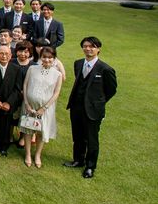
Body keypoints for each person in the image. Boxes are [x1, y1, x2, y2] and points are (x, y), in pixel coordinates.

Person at [64, 36, 117, 179]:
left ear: (98, 49)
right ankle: (78, 160)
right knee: (78, 136)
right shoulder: (78, 64)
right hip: (76, 106)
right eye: (85, 46)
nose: (88, 49)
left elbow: (111, 90)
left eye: (92, 46)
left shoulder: (105, 69)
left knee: (91, 139)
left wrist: (98, 102)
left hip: (93, 110)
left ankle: (90, 166)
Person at [20, 47, 63, 168]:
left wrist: (44, 108)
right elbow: (25, 85)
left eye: (50, 57)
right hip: (29, 106)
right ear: (40, 57)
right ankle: (28, 154)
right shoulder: (32, 69)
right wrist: (26, 103)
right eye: (44, 57)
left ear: (54, 58)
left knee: (41, 131)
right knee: (28, 129)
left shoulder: (57, 74)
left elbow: (56, 93)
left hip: (45, 109)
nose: (47, 60)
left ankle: (37, 155)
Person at [0, 46, 23, 156]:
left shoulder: (17, 69)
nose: (4, 56)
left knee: (5, 125)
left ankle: (2, 146)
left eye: (7, 54)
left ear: (11, 56)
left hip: (8, 103)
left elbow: (17, 89)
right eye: (1, 53)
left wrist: (8, 103)